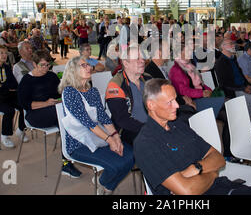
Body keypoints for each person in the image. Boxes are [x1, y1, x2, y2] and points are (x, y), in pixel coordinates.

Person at [133, 78, 251, 195]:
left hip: (224, 188)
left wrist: (197, 169)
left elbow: (218, 158)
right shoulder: (146, 143)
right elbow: (187, 191)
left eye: (176, 99)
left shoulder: (179, 125)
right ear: (151, 105)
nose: (177, 106)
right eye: (169, 102)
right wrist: (212, 172)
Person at [59, 56, 134, 194]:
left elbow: (103, 117)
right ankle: (104, 184)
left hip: (97, 138)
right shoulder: (69, 92)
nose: (89, 67)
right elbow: (88, 123)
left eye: (89, 65)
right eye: (84, 65)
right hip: (78, 144)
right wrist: (110, 140)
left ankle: (105, 185)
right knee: (117, 164)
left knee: (131, 156)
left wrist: (116, 136)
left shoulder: (92, 91)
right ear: (73, 70)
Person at [17, 49, 81, 177]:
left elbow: (59, 93)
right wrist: (47, 103)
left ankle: (71, 155)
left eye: (48, 65)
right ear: (34, 64)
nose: (46, 68)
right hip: (34, 115)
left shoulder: (51, 76)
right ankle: (66, 162)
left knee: (68, 116)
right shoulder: (27, 80)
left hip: (53, 110)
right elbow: (25, 105)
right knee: (65, 119)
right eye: (42, 65)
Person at [105, 45, 152, 145]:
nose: (142, 61)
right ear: (125, 63)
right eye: (137, 59)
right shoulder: (115, 85)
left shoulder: (148, 79)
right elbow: (122, 120)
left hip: (151, 125)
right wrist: (149, 128)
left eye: (142, 58)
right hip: (128, 131)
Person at [0, 45, 27, 148]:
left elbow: (14, 85)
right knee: (9, 110)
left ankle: (20, 130)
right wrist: (6, 87)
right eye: (1, 53)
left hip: (6, 96)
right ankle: (5, 136)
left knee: (24, 105)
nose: (4, 55)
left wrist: (1, 86)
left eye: (5, 53)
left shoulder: (6, 68)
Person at [169, 43, 225, 118]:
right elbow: (183, 91)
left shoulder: (189, 66)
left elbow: (200, 84)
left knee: (224, 106)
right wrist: (202, 93)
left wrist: (208, 90)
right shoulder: (176, 70)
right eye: (187, 51)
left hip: (200, 96)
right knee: (223, 108)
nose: (190, 53)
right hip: (192, 101)